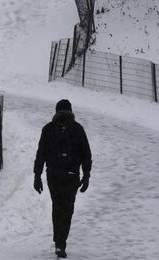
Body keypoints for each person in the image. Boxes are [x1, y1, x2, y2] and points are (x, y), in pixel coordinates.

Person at [34, 99, 92, 259]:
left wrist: (37, 176)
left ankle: (58, 242)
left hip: (53, 175)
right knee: (67, 209)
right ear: (71, 111)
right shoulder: (78, 129)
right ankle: (61, 242)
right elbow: (87, 155)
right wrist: (86, 175)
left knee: (57, 206)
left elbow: (41, 154)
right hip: (71, 175)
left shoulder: (48, 129)